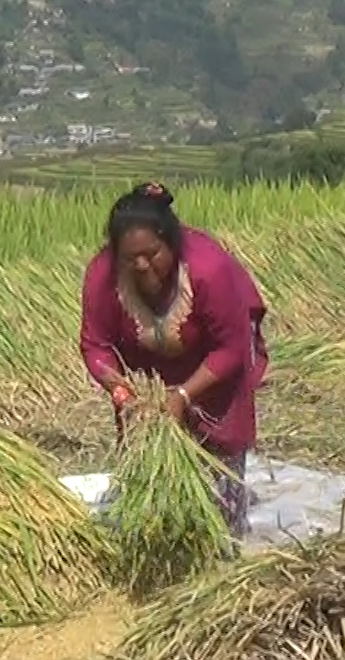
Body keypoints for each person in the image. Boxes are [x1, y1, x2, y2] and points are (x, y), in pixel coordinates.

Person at [79, 182, 270, 536]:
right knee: (151, 480)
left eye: (151, 254)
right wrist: (122, 392)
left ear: (171, 242)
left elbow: (230, 348)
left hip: (214, 374)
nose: (140, 265)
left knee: (218, 470)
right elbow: (96, 346)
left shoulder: (207, 270)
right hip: (149, 375)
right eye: (128, 257)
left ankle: (222, 541)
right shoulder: (102, 276)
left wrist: (183, 395)